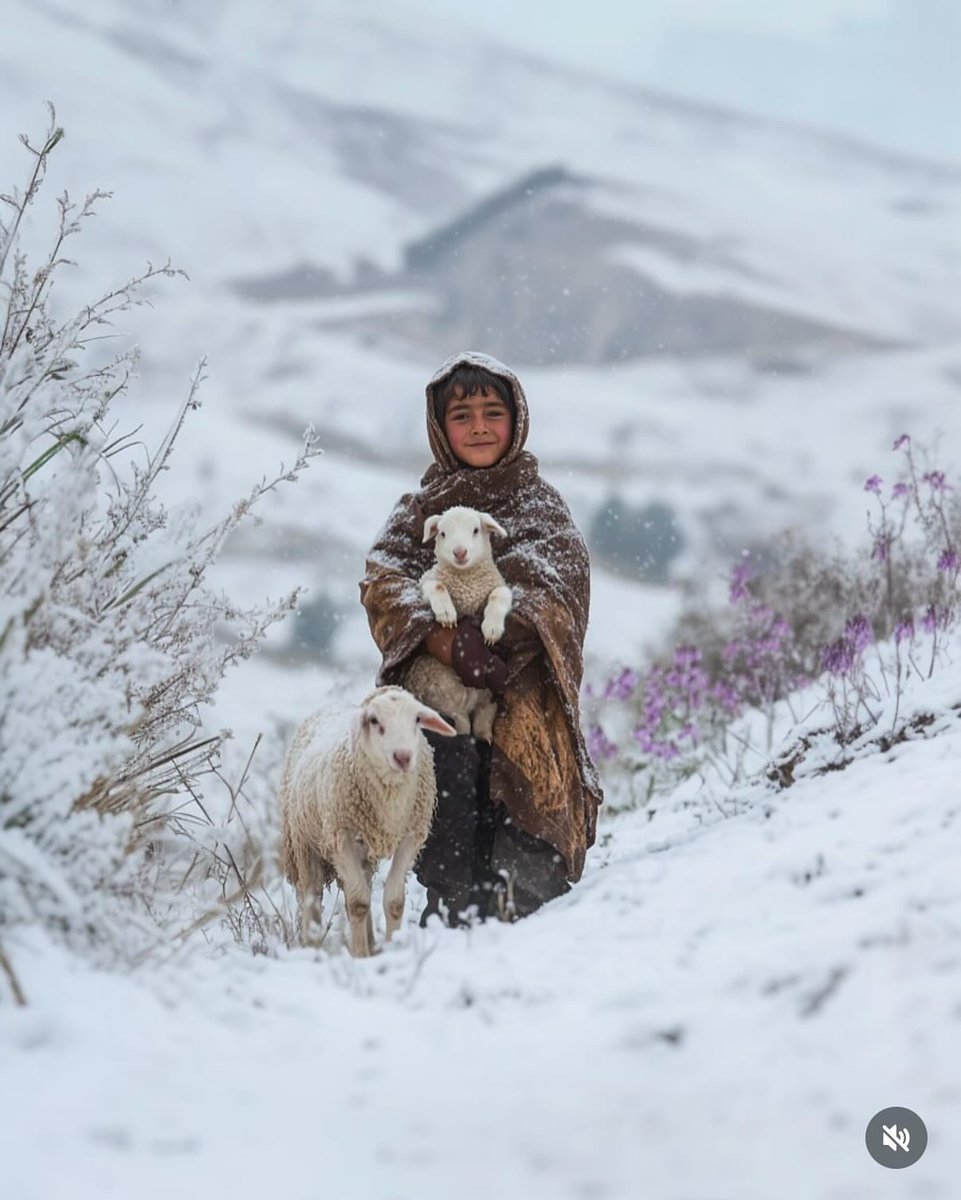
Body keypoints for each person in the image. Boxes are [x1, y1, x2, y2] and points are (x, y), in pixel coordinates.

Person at [359, 351, 603, 924]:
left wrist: (496, 642)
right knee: (443, 756)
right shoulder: (420, 511)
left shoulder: (539, 506)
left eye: (492, 413)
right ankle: (447, 900)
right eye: (462, 415)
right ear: (440, 427)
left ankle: (522, 887)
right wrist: (443, 644)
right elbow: (383, 581)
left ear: (515, 420)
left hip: (521, 694)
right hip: (443, 691)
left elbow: (558, 593)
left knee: (521, 772)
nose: (479, 427)